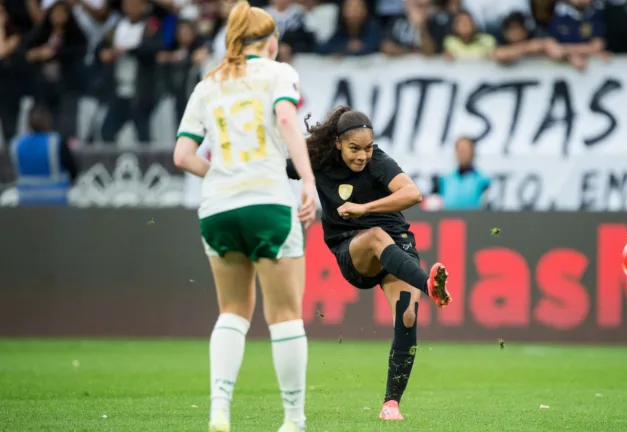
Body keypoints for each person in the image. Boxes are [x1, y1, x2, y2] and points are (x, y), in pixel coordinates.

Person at [172, 3, 316, 432]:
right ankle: (293, 419)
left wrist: (218, 171)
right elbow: (288, 119)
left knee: (232, 311)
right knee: (285, 314)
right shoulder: (278, 72)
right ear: (270, 41)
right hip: (267, 201)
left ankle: (220, 410)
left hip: (217, 208)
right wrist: (307, 180)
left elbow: (182, 155)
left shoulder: (208, 84)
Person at [285, 105, 453, 421]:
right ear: (337, 143)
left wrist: (364, 207)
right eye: (355, 149)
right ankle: (429, 286)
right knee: (375, 236)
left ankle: (391, 404)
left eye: (368, 147)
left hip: (397, 246)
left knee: (406, 315)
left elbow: (413, 194)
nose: (363, 155)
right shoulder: (318, 162)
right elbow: (274, 170)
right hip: (353, 250)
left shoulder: (378, 162)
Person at [10, 103, 79, 206]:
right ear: (48, 121)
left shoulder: (16, 144)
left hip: (26, 201)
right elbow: (73, 171)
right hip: (55, 201)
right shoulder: (56, 142)